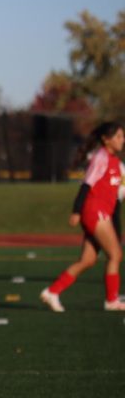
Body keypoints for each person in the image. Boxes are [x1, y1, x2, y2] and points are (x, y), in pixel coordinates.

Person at [40, 121, 125, 312]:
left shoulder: (116, 163)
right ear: (106, 139)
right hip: (95, 212)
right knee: (116, 255)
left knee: (88, 261)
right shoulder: (101, 158)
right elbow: (86, 185)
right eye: (119, 136)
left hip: (102, 214)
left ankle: (52, 292)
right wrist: (76, 211)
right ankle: (111, 301)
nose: (123, 140)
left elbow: (116, 198)